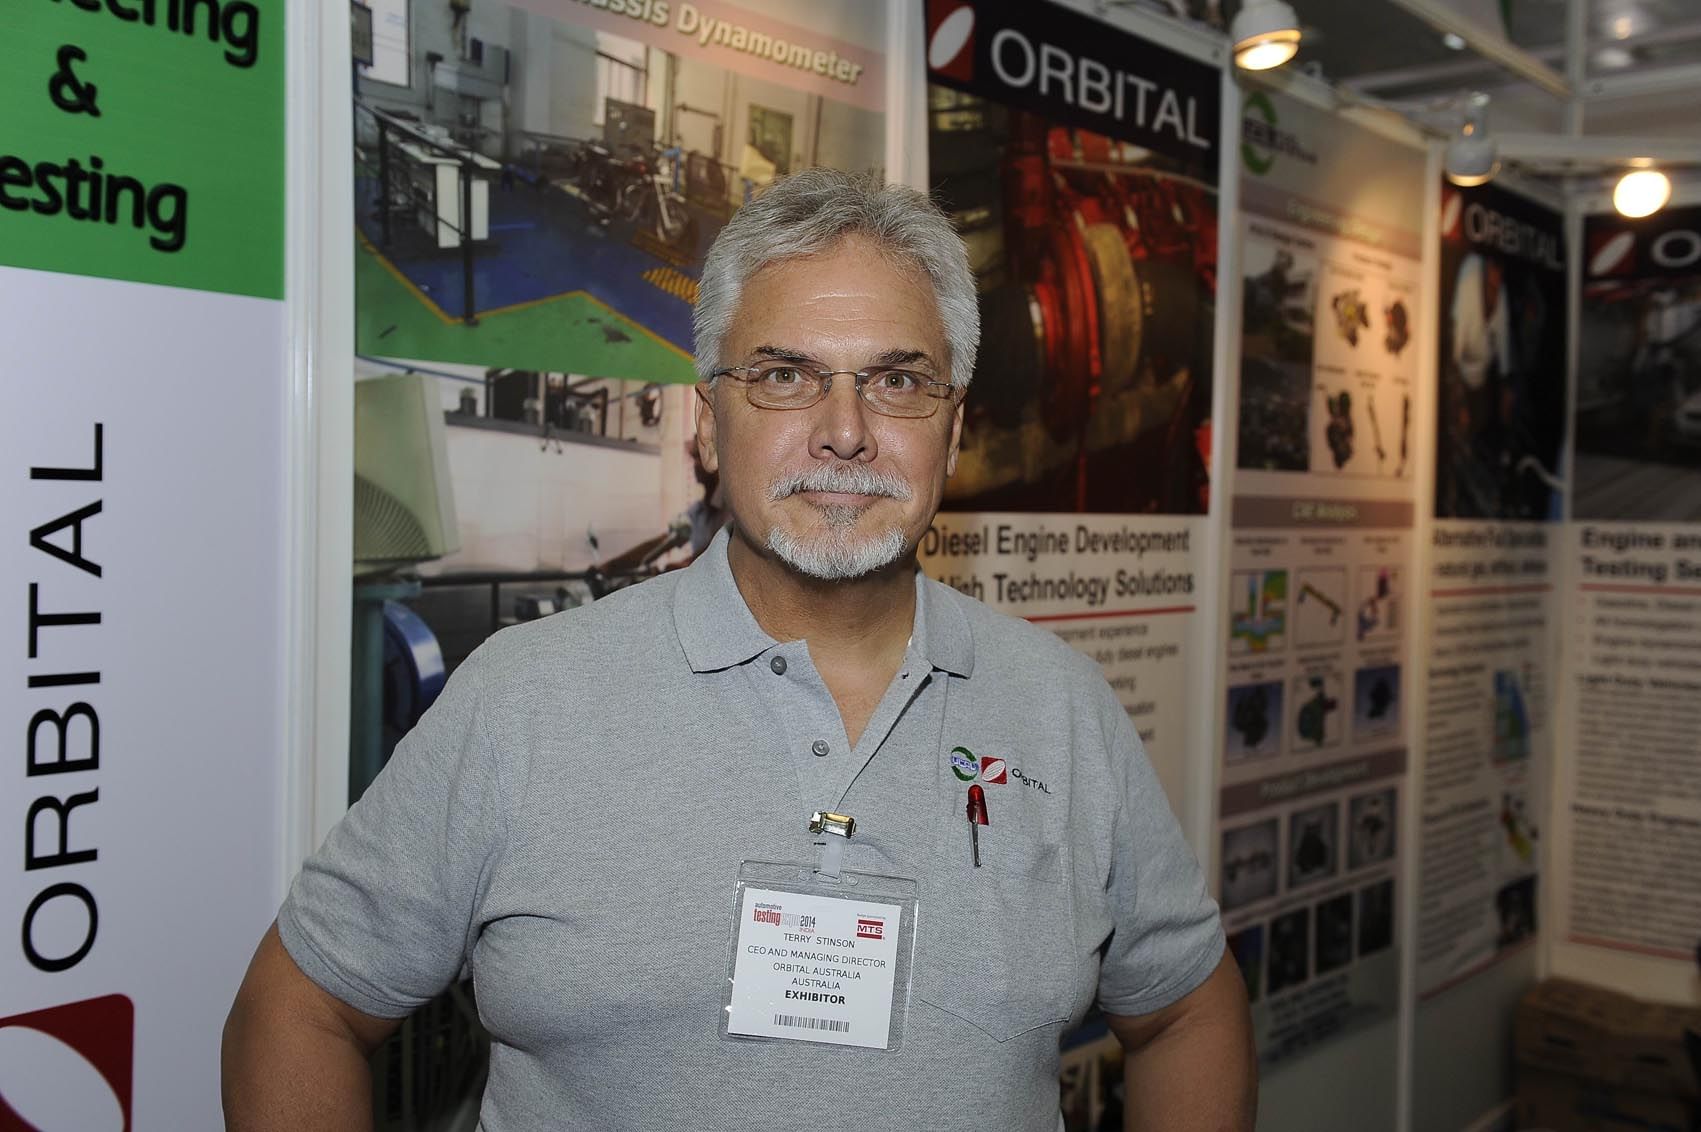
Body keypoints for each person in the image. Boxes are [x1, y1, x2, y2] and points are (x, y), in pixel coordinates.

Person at [223, 167, 1256, 1131]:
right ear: (708, 425)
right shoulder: (524, 701)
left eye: (898, 380)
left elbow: (1186, 1010)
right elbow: (300, 1007)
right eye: (784, 376)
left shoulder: (1060, 707)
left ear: (951, 431)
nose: (845, 431)